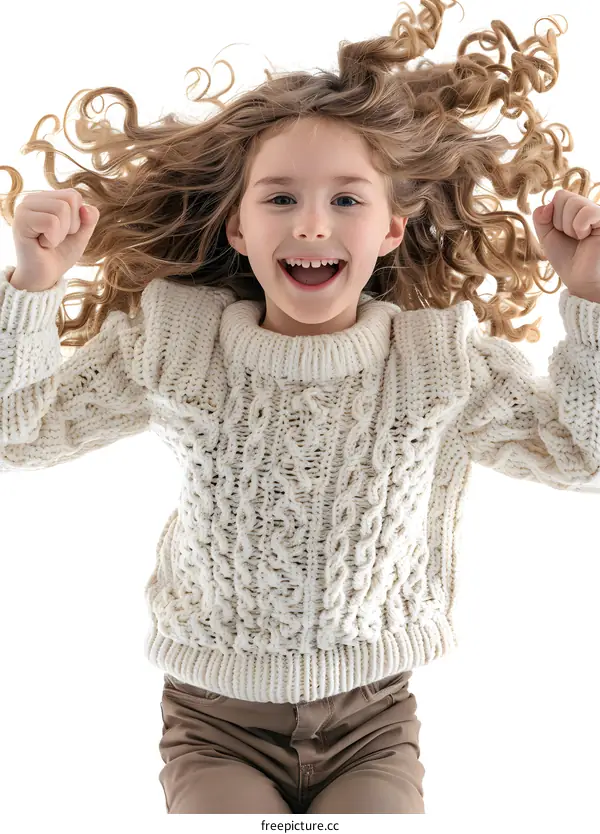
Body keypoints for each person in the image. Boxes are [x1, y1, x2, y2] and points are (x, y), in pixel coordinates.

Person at [1, 0, 599, 815]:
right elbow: (19, 435)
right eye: (279, 199)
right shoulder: (180, 345)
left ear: (392, 228)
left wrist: (591, 295)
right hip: (216, 719)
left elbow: (584, 454)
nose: (312, 222)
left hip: (374, 722)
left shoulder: (436, 363)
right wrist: (35, 288)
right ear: (239, 228)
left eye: (346, 200)